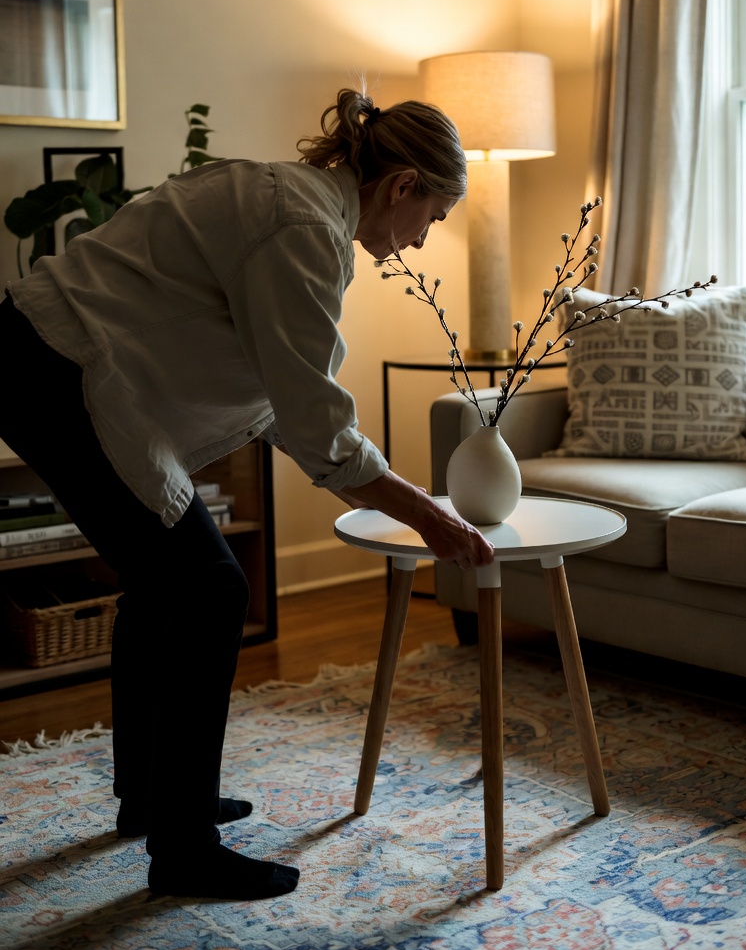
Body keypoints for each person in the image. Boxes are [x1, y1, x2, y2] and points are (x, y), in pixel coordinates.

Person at [0, 88, 494, 902]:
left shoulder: (290, 199)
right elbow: (315, 420)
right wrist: (428, 514)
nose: (419, 242)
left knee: (167, 584)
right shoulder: (304, 228)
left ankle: (152, 800)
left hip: (42, 360)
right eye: (432, 217)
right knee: (207, 586)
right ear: (402, 185)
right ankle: (183, 849)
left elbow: (277, 388)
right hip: (60, 369)